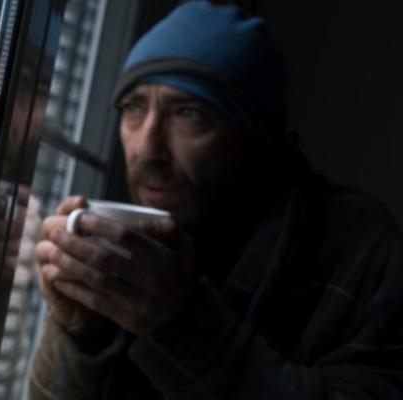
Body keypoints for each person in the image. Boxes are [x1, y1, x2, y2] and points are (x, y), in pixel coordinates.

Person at [28, 1, 403, 399]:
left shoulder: (360, 249)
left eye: (188, 113)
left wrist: (181, 326)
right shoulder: (121, 247)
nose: (147, 148)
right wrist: (79, 335)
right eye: (133, 108)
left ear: (257, 140)